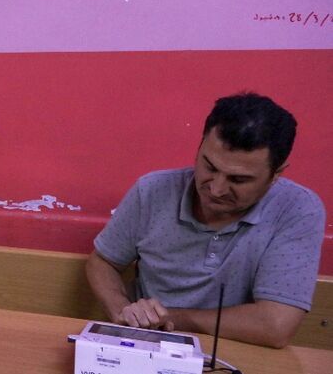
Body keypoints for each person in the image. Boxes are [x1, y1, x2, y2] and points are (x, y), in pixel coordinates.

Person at [86, 92, 326, 348]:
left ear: (276, 174)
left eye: (238, 180)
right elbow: (103, 262)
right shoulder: (152, 191)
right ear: (200, 147)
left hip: (235, 352)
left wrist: (168, 320)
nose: (216, 189)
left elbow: (275, 326)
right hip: (149, 348)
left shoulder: (297, 209)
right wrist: (124, 314)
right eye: (210, 167)